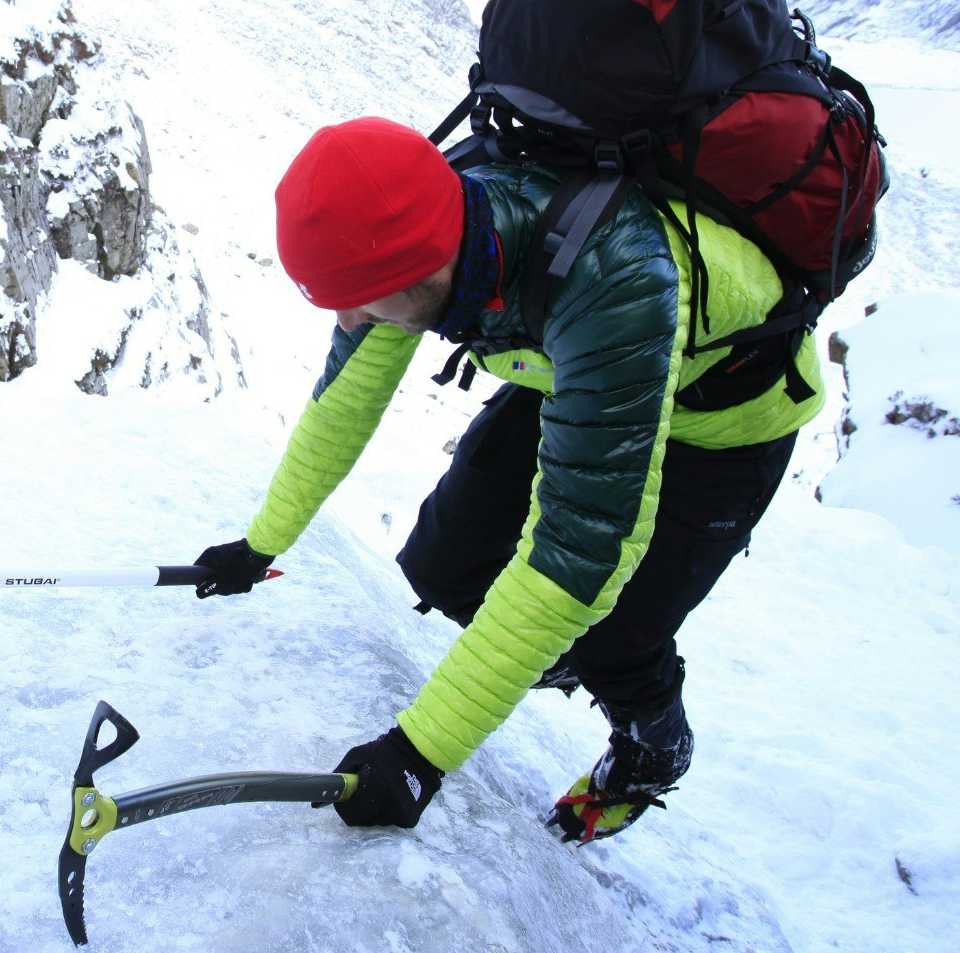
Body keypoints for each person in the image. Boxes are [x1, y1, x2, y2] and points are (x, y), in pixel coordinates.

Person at [194, 116, 824, 842]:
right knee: (444, 563)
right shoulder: (424, 251)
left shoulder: (611, 278)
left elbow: (578, 555)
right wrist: (259, 546)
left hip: (724, 421)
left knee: (612, 636)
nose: (348, 318)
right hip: (578, 370)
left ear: (421, 267)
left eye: (360, 300)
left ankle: (652, 747)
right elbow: (342, 409)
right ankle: (548, 657)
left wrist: (420, 752)